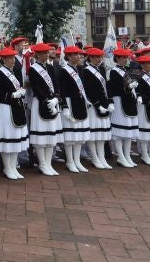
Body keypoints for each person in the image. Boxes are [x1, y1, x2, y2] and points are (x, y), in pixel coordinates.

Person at [0, 48, 27, 180]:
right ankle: (7, 167)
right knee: (8, 139)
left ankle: (13, 166)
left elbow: (20, 86)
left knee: (16, 138)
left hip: (17, 107)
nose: (13, 60)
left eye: (13, 58)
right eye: (10, 58)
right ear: (4, 59)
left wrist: (21, 92)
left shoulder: (16, 71)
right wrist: (12, 95)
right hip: (6, 108)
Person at [27, 43, 63, 176]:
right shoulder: (33, 69)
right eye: (43, 53)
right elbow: (36, 88)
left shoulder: (49, 67)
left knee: (51, 135)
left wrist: (56, 98)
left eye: (47, 52)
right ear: (37, 55)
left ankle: (48, 163)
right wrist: (47, 100)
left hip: (53, 102)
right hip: (41, 103)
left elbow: (55, 84)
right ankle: (42, 163)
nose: (46, 55)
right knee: (41, 136)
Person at [58, 45, 90, 173]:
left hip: (80, 103)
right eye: (76, 54)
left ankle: (77, 160)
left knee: (79, 136)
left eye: (79, 54)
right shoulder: (64, 70)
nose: (78, 57)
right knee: (70, 136)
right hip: (70, 104)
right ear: (69, 56)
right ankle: (70, 161)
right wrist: (65, 107)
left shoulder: (80, 69)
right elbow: (63, 90)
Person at [79, 48, 113, 169]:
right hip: (94, 106)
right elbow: (89, 90)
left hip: (104, 104)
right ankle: (94, 157)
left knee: (102, 134)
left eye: (101, 57)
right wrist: (97, 104)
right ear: (91, 58)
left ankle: (102, 157)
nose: (99, 59)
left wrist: (110, 102)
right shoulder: (86, 71)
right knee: (94, 134)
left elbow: (106, 87)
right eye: (97, 57)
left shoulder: (101, 69)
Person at [107, 48, 140, 168]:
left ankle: (127, 156)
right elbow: (115, 89)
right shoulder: (114, 71)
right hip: (120, 102)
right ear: (118, 58)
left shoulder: (126, 70)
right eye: (125, 57)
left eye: (127, 57)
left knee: (129, 132)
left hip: (129, 102)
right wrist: (128, 87)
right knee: (119, 132)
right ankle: (120, 156)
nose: (127, 59)